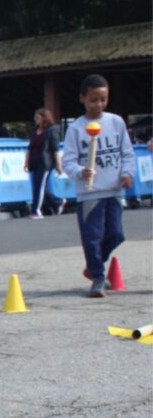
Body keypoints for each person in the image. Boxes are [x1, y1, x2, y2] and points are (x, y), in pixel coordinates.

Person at [62, 74, 136, 298]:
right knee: (92, 237)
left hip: (113, 189)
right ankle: (97, 276)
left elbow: (127, 153)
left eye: (103, 99)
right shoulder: (76, 128)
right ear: (82, 98)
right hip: (90, 192)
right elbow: (68, 161)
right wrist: (80, 172)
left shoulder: (116, 122)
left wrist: (127, 173)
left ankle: (93, 266)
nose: (99, 104)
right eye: (94, 99)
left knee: (116, 234)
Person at [24, 108, 66, 218]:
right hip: (34, 161)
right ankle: (58, 202)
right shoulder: (35, 131)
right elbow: (30, 147)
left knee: (40, 186)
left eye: (37, 117)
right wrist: (26, 162)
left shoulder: (51, 131)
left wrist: (58, 164)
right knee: (37, 186)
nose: (35, 119)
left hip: (45, 162)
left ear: (44, 119)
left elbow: (55, 149)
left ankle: (36, 211)